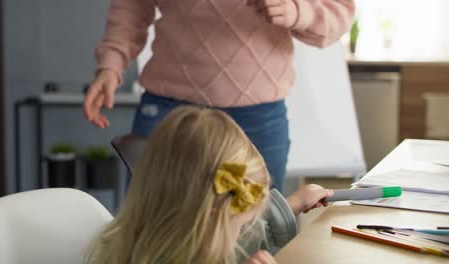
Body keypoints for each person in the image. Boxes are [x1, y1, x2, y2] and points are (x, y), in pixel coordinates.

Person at [83, 0, 355, 191]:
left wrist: (298, 11)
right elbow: (130, 7)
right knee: (147, 225)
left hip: (256, 117)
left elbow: (340, 11)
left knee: (258, 230)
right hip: (168, 107)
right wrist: (111, 65)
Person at [86, 106, 333, 264]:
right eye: (240, 225)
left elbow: (248, 237)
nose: (241, 235)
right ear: (210, 219)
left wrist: (293, 204)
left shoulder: (158, 236)